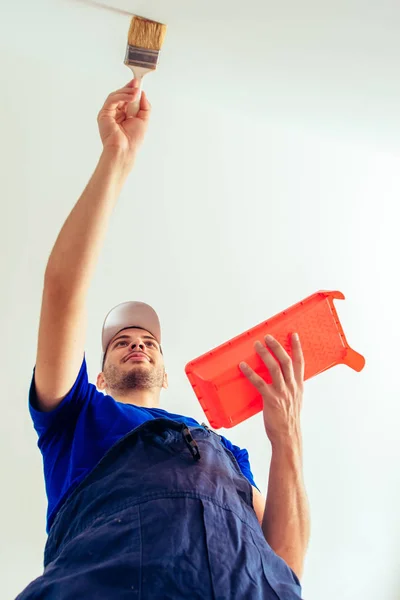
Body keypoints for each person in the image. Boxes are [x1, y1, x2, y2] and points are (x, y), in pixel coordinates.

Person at [17, 79, 310, 599]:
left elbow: (283, 567)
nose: (138, 344)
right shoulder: (74, 418)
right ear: (100, 375)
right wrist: (117, 160)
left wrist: (285, 436)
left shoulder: (228, 453)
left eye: (149, 341)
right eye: (121, 341)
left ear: (165, 371)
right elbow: (62, 291)